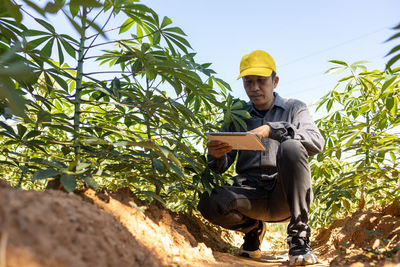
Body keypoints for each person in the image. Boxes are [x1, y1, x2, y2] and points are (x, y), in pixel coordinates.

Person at [197, 50, 325, 266]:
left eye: (261, 81)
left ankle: (299, 239)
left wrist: (272, 130)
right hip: (250, 196)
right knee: (209, 202)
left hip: (284, 195)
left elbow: (316, 142)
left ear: (274, 81)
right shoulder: (237, 113)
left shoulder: (295, 108)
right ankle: (253, 230)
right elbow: (221, 167)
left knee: (292, 147)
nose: (254, 88)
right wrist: (216, 156)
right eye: (248, 82)